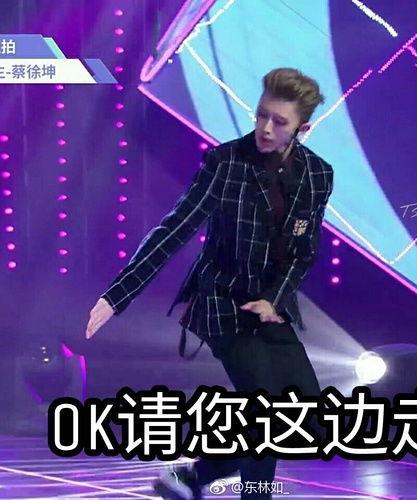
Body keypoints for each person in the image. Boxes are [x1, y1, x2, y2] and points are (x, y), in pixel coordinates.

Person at [86, 67, 334, 499]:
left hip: (269, 307)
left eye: (279, 122)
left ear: (303, 129)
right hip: (221, 302)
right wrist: (117, 296)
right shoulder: (226, 162)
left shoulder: (318, 175)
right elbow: (174, 229)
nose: (265, 128)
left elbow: (304, 251)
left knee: (311, 421)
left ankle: (193, 476)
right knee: (265, 408)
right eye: (261, 115)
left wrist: (273, 300)